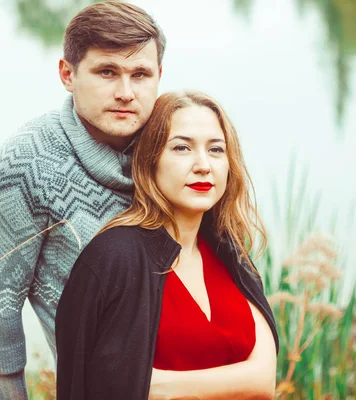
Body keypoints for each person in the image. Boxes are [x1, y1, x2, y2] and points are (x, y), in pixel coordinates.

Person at [0, 2, 166, 398]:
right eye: (107, 72)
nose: (126, 93)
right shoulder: (24, 167)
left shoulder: (177, 147)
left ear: (159, 76)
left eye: (140, 74)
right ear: (67, 74)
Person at [56, 91, 279, 400]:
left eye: (216, 149)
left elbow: (263, 380)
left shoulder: (230, 253)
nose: (203, 165)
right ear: (151, 159)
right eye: (182, 147)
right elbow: (100, 387)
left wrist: (160, 387)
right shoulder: (113, 257)